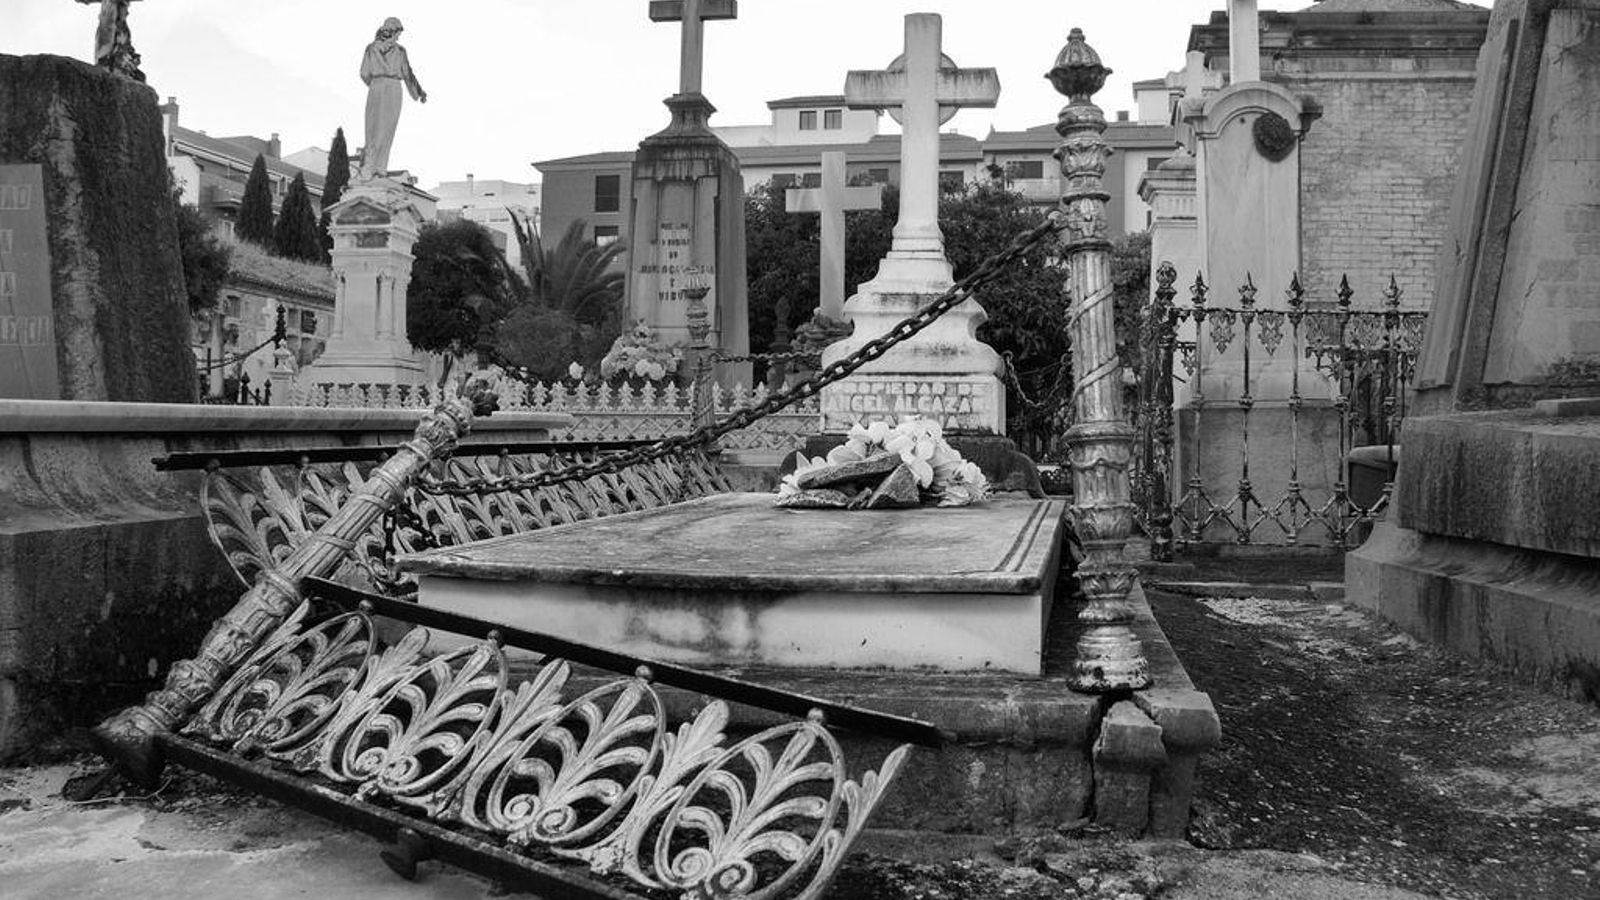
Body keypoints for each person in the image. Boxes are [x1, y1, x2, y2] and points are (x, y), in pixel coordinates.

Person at [359, 17, 426, 181]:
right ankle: (373, 166)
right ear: (393, 31)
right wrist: (419, 92)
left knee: (381, 128)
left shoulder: (378, 49)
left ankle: (376, 167)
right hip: (389, 86)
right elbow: (407, 73)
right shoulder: (391, 50)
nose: (398, 37)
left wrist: (375, 84)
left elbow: (364, 73)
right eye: (397, 33)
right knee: (378, 128)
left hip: (380, 86)